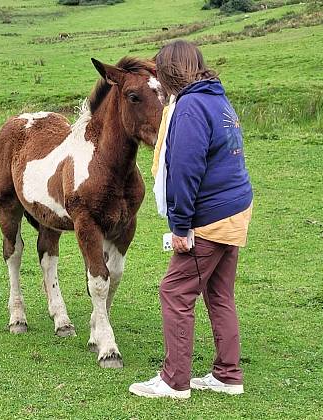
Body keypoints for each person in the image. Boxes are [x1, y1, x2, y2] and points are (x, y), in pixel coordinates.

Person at [129, 40, 253, 399]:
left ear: (168, 71)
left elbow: (184, 170)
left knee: (175, 291)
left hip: (211, 217)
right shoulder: (217, 98)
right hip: (234, 209)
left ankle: (173, 380)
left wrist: (180, 226)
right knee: (219, 293)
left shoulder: (190, 107)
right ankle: (228, 375)